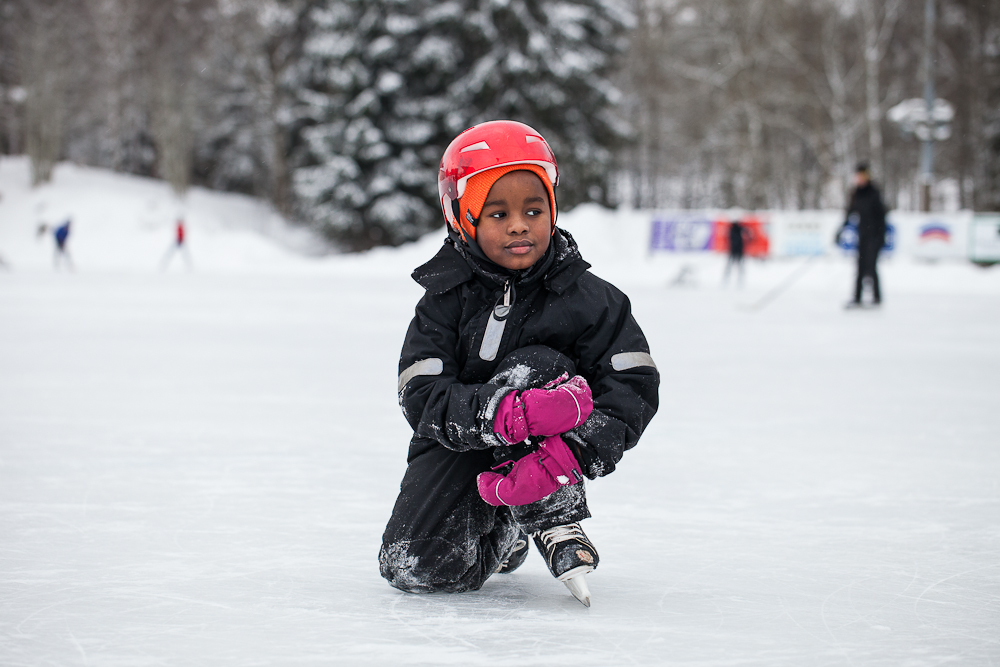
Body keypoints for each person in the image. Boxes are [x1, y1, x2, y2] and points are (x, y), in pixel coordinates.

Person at [379, 120, 660, 607]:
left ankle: (544, 510)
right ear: (462, 217)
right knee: (416, 569)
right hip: (462, 440)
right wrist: (499, 414)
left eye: (534, 209)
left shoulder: (592, 300)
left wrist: (572, 452)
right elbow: (419, 393)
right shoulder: (444, 299)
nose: (519, 225)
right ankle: (504, 528)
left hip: (550, 453)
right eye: (498, 212)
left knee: (539, 364)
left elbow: (631, 386)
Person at [837, 163, 887, 307]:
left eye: (861, 175)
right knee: (859, 266)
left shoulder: (873, 192)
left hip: (875, 235)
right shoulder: (856, 193)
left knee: (871, 266)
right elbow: (850, 212)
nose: (858, 178)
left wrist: (881, 236)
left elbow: (882, 216)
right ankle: (857, 297)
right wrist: (841, 229)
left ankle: (877, 297)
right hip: (863, 235)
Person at [723, 218, 748, 286]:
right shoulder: (738, 229)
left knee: (735, 265)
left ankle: (738, 278)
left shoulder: (733, 229)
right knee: (735, 265)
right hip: (736, 250)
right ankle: (730, 278)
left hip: (735, 250)